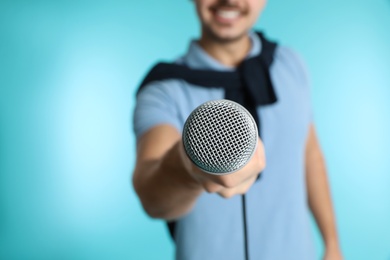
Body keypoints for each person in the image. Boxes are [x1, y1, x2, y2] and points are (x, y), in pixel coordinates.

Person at [132, 0, 342, 259]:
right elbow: (152, 197)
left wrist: (332, 243)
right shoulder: (163, 89)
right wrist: (189, 165)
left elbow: (309, 155)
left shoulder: (291, 64)